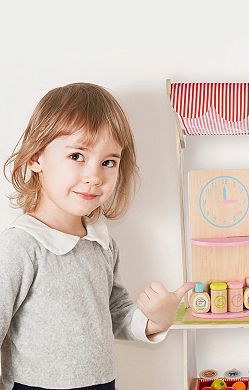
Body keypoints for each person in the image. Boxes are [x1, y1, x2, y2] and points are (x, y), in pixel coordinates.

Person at [0, 83, 194, 390]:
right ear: (36, 158)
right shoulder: (21, 246)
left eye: (108, 162)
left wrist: (158, 319)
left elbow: (116, 312)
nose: (94, 176)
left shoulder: (101, 244)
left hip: (102, 383)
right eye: (77, 155)